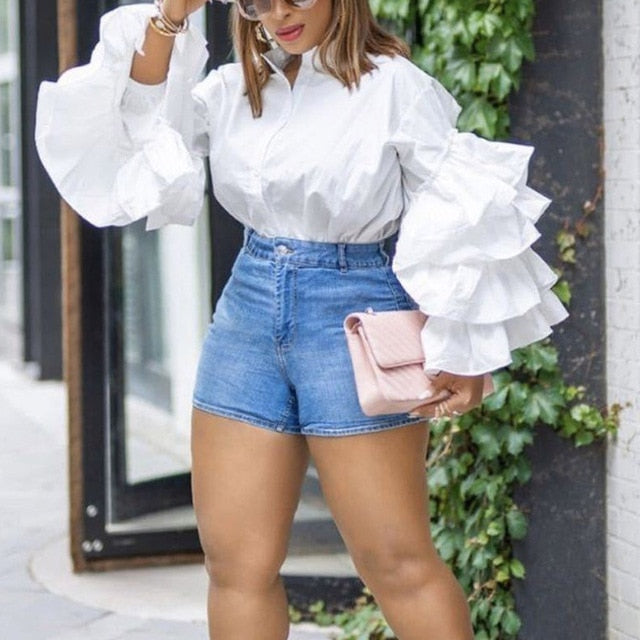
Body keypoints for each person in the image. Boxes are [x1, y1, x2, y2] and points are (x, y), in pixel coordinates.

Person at [35, 0, 568, 638]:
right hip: (247, 314)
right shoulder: (230, 91)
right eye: (259, 2)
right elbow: (135, 117)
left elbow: (455, 203)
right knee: (235, 564)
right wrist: (171, 15)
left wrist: (463, 345)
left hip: (355, 309)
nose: (278, 14)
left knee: (396, 562)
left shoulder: (392, 86)